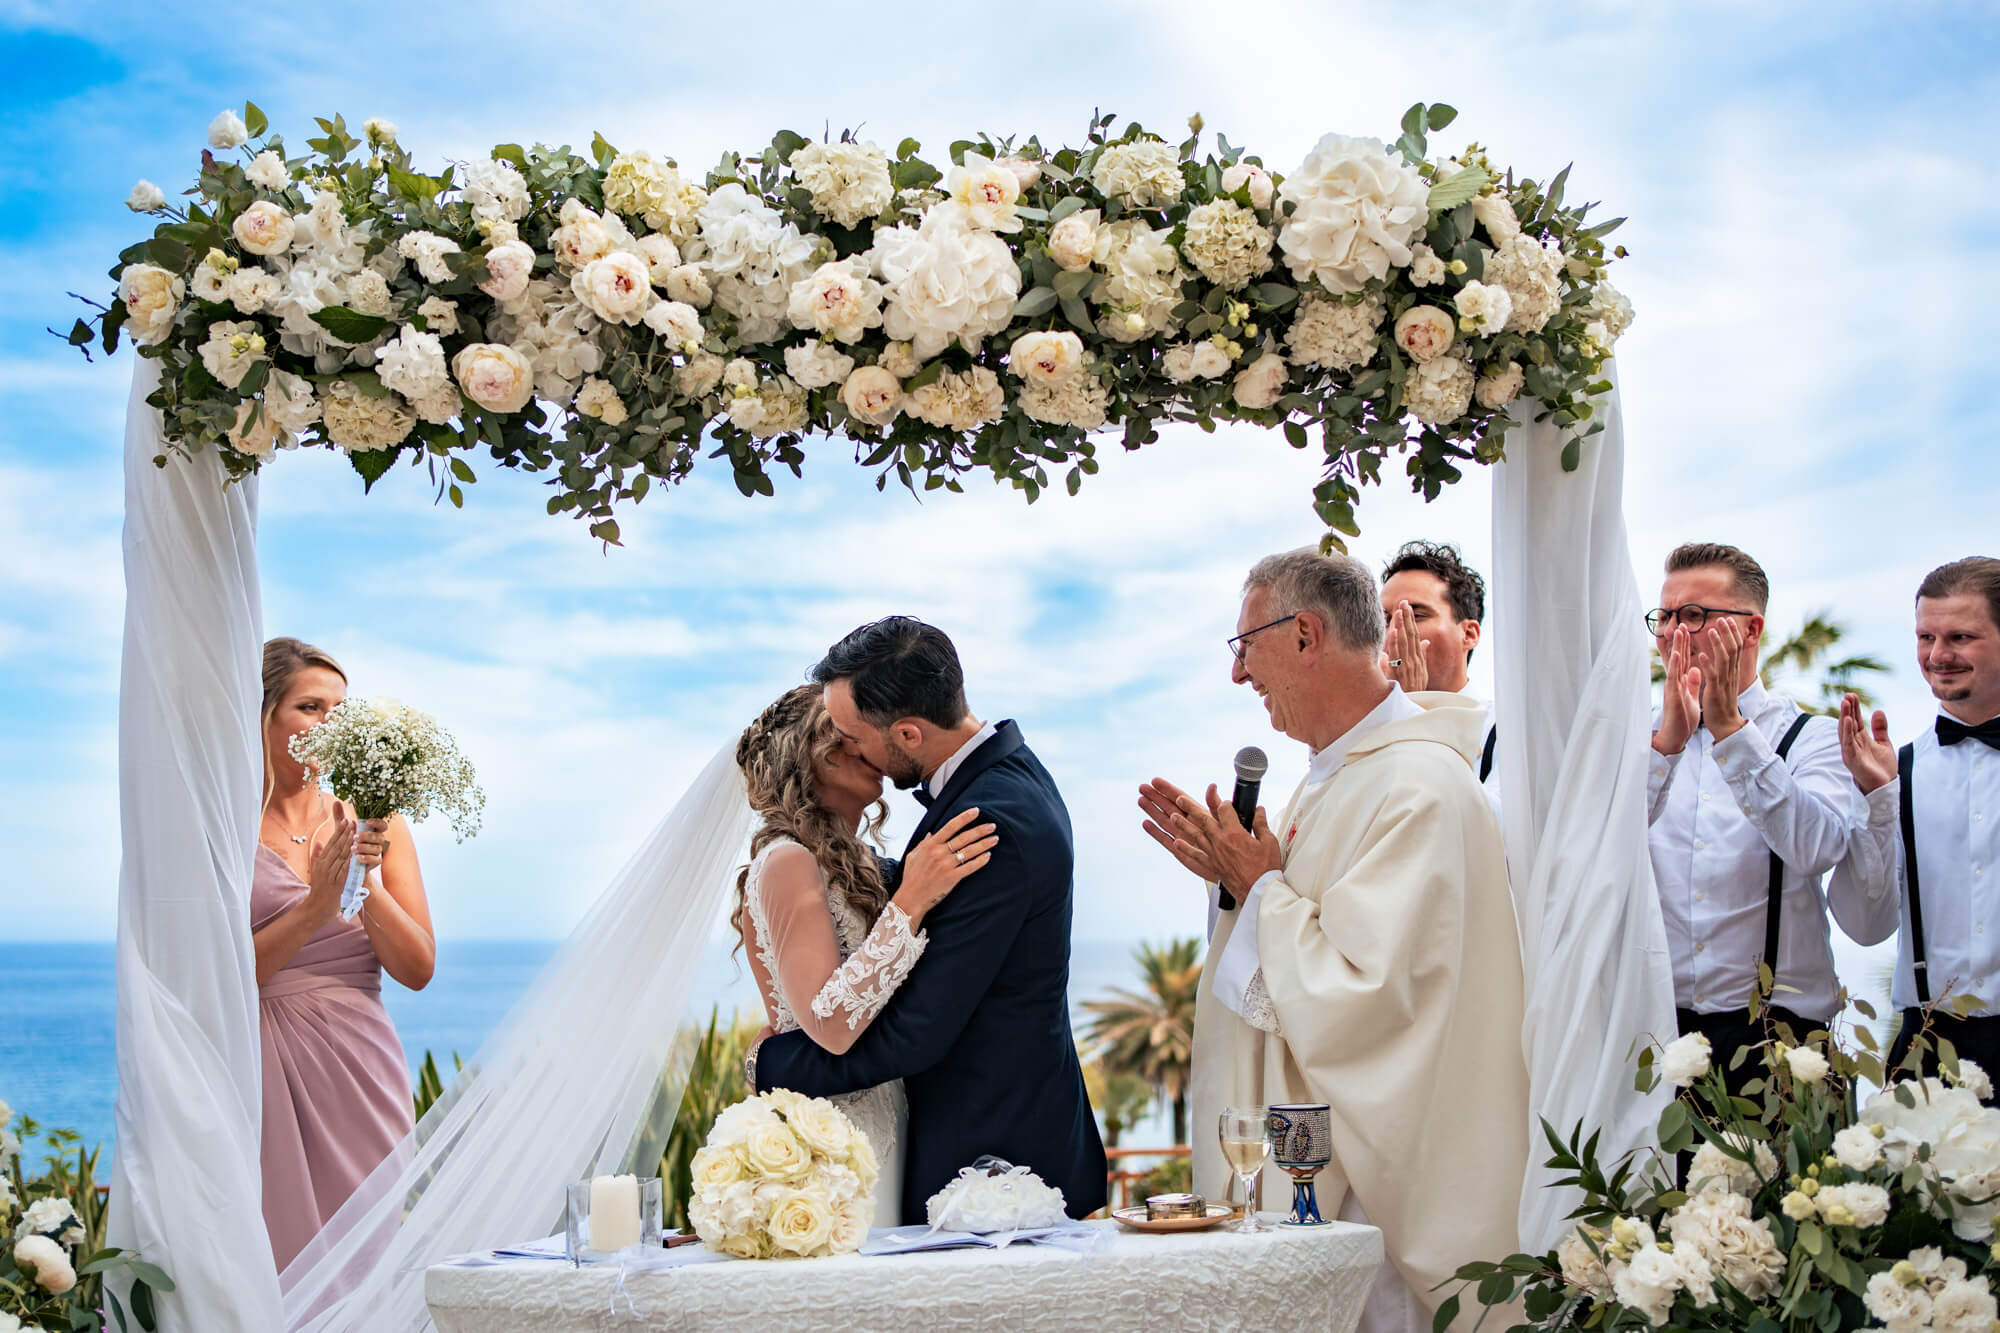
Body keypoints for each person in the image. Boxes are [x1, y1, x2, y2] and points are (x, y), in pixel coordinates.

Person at [1140, 550, 1526, 1333]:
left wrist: (1260, 889)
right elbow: (1297, 930)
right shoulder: (1337, 774)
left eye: (1245, 646)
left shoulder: (1418, 787)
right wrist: (1234, 881)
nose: (1240, 674)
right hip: (1321, 1165)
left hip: (1370, 1198)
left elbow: (1371, 994)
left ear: (1306, 635)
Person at [746, 617, 1108, 1223]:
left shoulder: (989, 822)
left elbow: (917, 1029)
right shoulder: (1003, 782)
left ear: (907, 733)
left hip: (994, 1159)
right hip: (960, 1142)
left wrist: (774, 1065)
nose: (850, 747)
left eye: (851, 734)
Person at [731, 684, 997, 1224]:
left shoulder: (860, 866)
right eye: (845, 741)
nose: (865, 748)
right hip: (830, 1139)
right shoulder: (787, 861)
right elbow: (829, 1022)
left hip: (889, 1119)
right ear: (806, 762)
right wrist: (912, 901)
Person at [1644, 544, 1880, 1081]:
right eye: (1665, 616)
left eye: (1696, 616)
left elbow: (1816, 849)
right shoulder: (1636, 739)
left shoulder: (1814, 739)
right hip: (1656, 1041)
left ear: (1752, 630)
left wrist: (1732, 732)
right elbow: (1594, 852)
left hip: (1786, 1046)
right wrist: (1665, 750)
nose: (1674, 633)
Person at [252, 638, 435, 1272]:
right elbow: (217, 976)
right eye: (310, 706)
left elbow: (416, 969)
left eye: (340, 709)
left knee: (365, 1266)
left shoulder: (380, 819)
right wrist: (314, 907)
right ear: (262, 714)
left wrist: (368, 880)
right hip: (256, 1072)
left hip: (362, 1072)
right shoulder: (222, 828)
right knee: (273, 1260)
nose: (329, 724)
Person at [1829, 557, 2000, 1075]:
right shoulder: (1893, 773)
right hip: (1928, 1047)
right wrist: (1878, 801)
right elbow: (1864, 928)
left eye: (1961, 637)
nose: (1938, 656)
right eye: (1926, 637)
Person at [1380, 540, 1499, 797]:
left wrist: (1411, 708)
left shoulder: (1502, 731)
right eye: (1384, 620)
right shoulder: (1365, 733)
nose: (1394, 634)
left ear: (1468, 633)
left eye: (1416, 616)